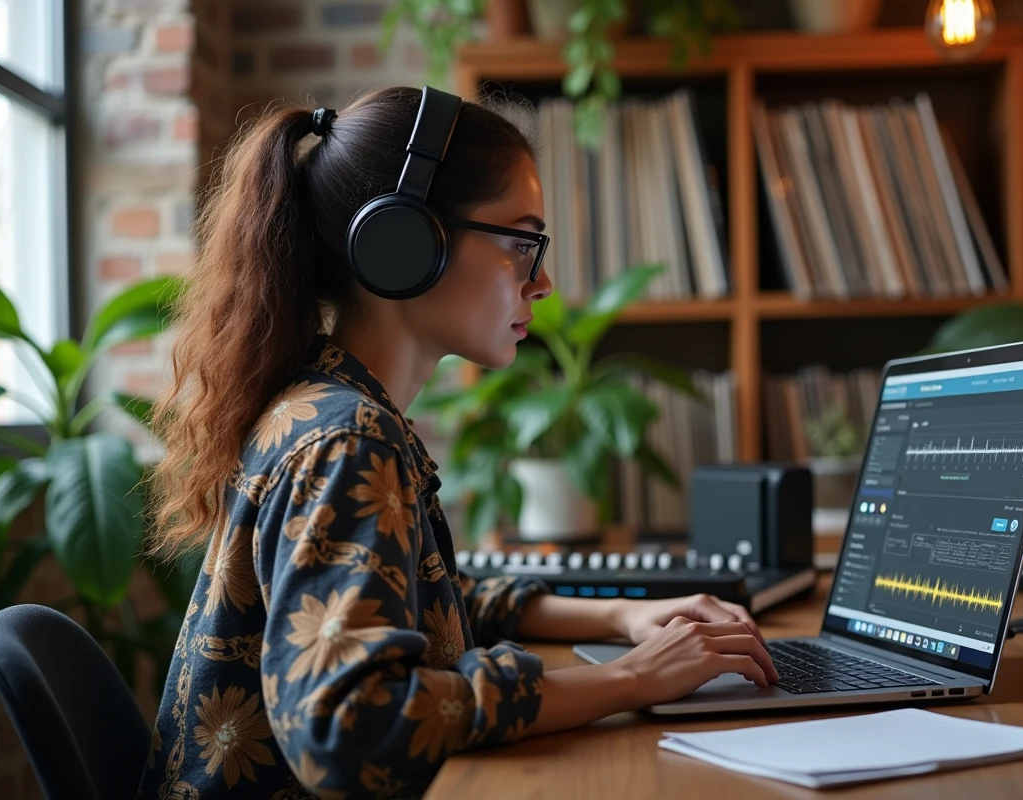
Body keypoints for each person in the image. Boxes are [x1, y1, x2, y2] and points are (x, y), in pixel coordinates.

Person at [139, 85, 778, 800]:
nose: (543, 282)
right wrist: (632, 679)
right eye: (519, 243)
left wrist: (623, 618)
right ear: (403, 242)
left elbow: (421, 592)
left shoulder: (327, 406)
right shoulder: (346, 437)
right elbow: (350, 728)